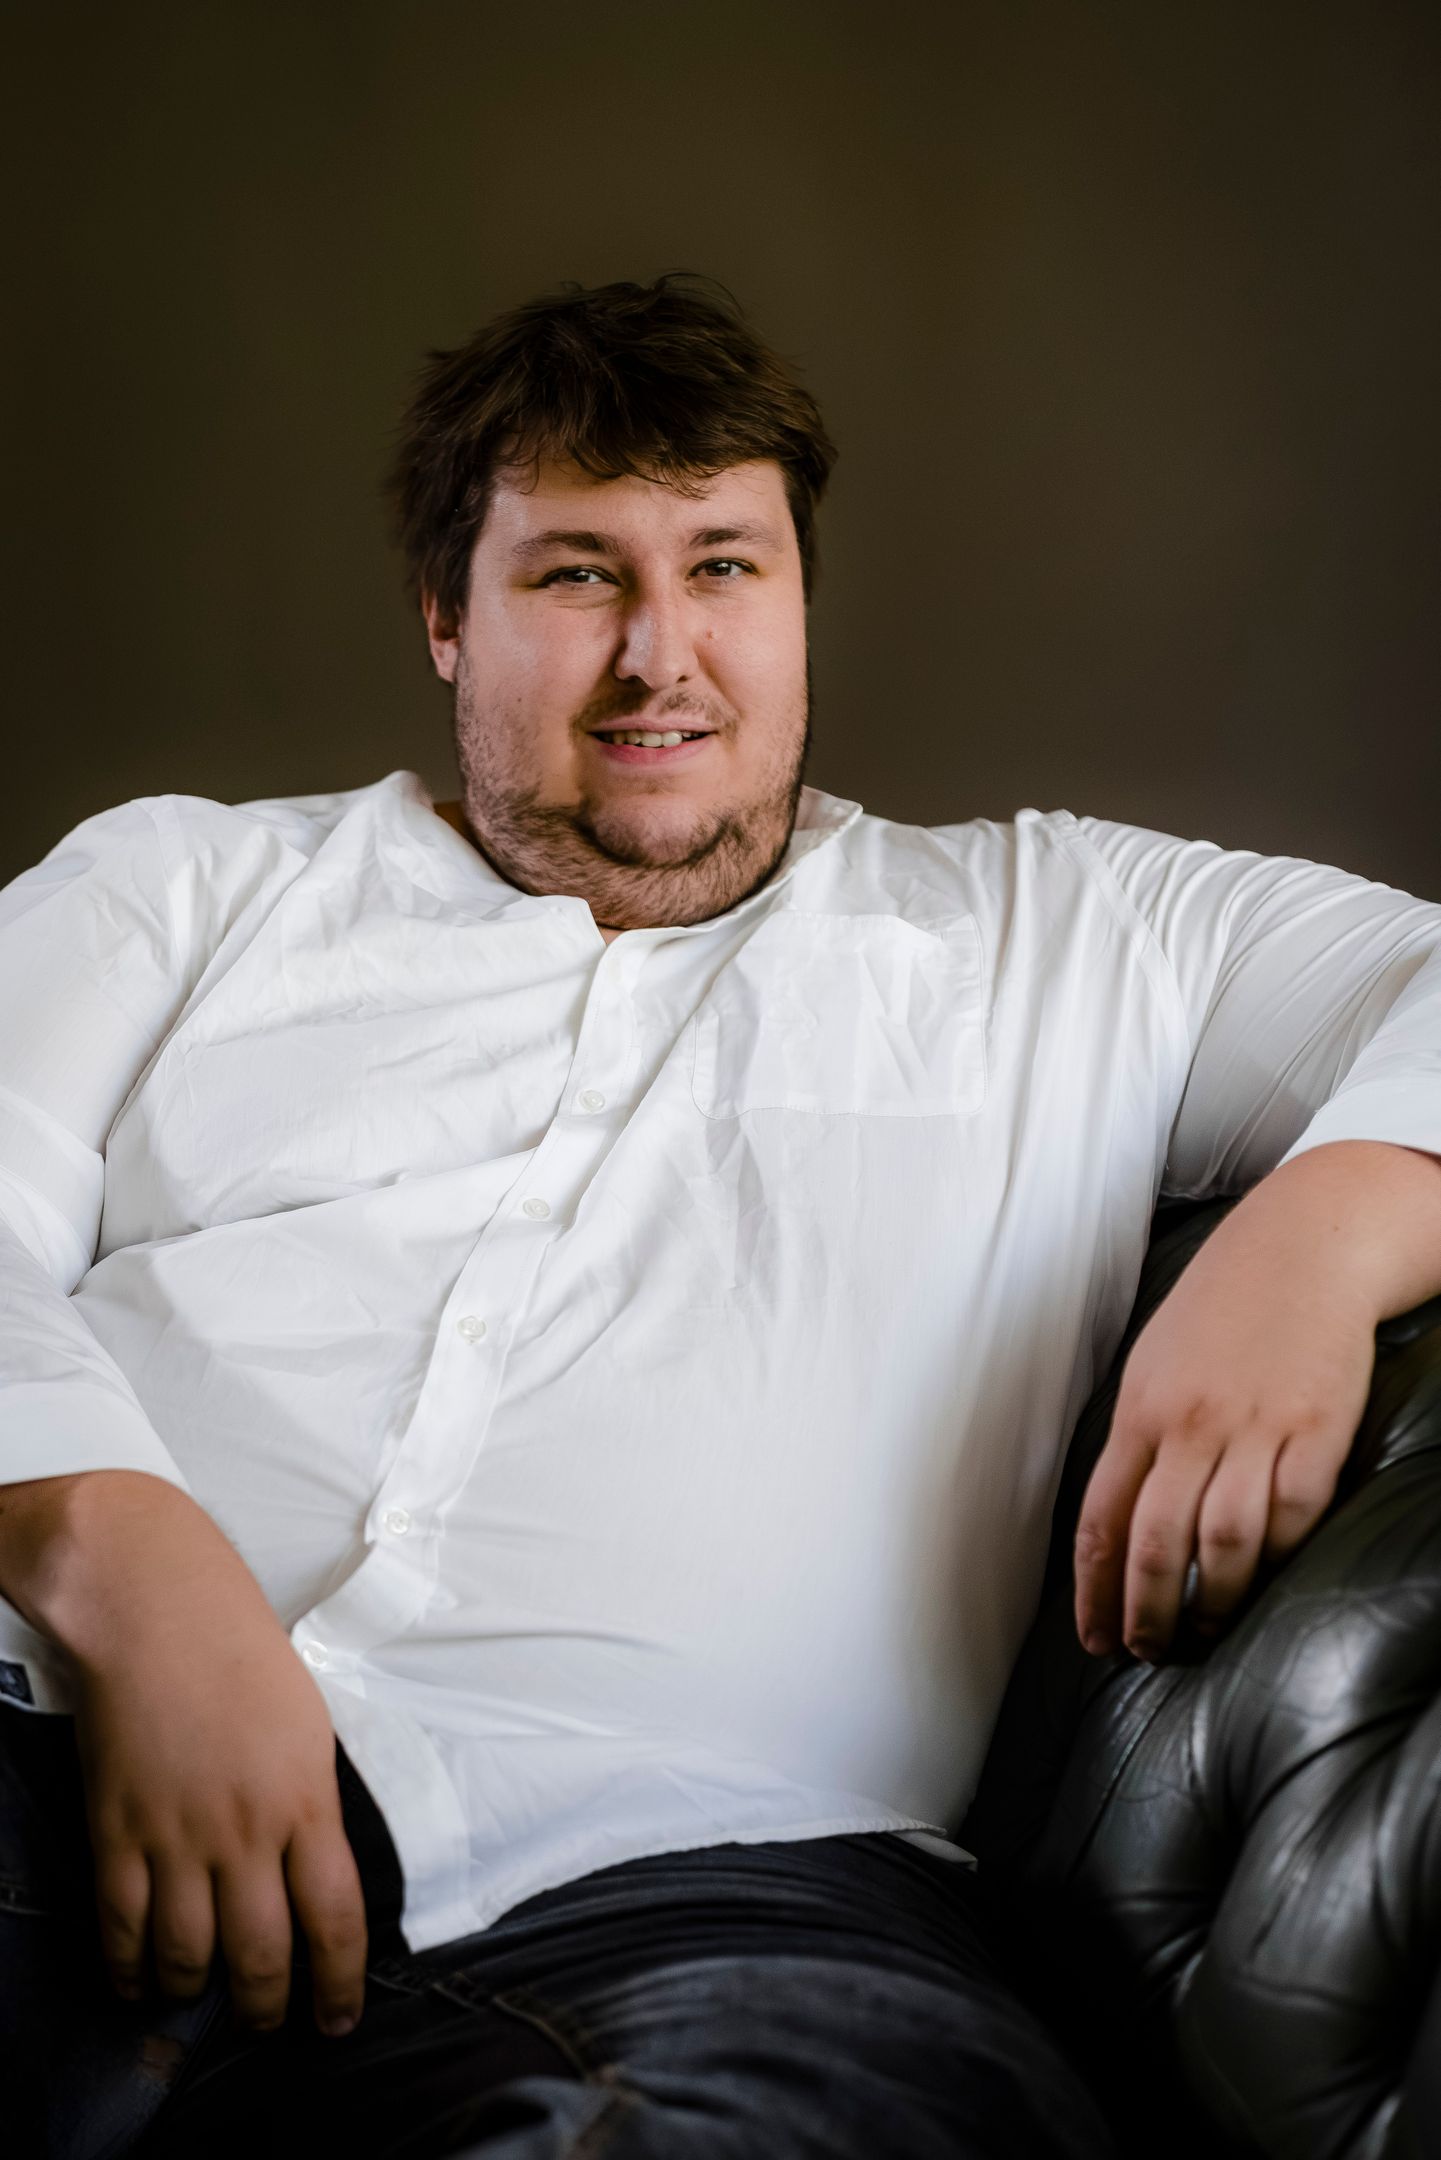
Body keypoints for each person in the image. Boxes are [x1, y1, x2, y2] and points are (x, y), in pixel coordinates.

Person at [0, 270, 1438, 2160]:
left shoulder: (1083, 937)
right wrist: (132, 1574)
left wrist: (1330, 1229)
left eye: (724, 568)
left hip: (689, 1891)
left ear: (799, 601)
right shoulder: (183, 888)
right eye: (575, 573)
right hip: (50, 1758)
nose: (658, 655)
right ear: (445, 615)